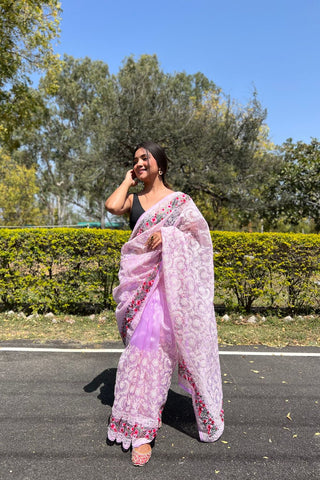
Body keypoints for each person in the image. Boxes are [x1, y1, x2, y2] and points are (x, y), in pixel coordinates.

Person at [105, 141, 224, 466]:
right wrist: (128, 179)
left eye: (146, 158)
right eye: (136, 160)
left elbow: (200, 240)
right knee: (136, 355)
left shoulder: (180, 203)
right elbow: (112, 206)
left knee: (152, 356)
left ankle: (143, 431)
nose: (140, 163)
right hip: (138, 287)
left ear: (161, 164)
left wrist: (170, 237)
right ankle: (132, 416)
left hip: (166, 291)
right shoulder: (135, 199)